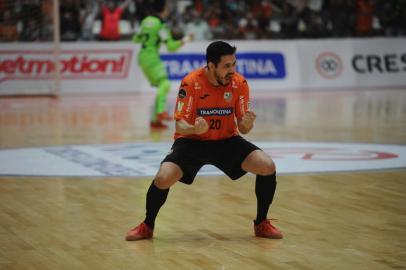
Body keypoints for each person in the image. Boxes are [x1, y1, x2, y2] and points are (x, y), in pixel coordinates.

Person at [126, 41, 283, 241]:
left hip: (227, 141)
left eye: (234, 64)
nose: (232, 71)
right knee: (163, 178)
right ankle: (147, 226)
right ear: (211, 65)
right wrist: (194, 128)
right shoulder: (191, 83)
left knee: (267, 165)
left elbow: (243, 128)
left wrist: (247, 123)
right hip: (192, 142)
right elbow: (179, 125)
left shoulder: (239, 83)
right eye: (226, 66)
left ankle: (261, 223)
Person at [132, 0, 193, 128]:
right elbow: (171, 47)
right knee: (165, 84)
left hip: (142, 57)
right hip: (151, 57)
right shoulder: (161, 25)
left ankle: (155, 120)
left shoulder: (145, 21)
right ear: (164, 9)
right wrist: (185, 40)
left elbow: (135, 39)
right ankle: (160, 112)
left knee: (161, 86)